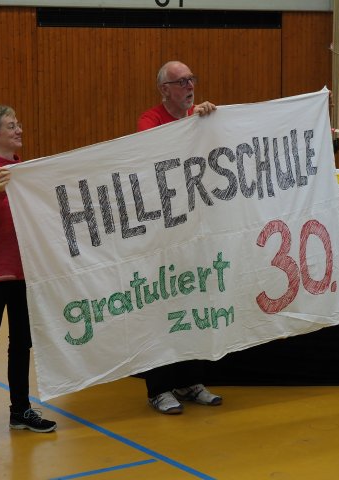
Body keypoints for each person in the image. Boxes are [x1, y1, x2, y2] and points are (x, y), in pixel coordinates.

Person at [0, 105, 57, 447]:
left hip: (23, 275)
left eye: (18, 124)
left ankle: (20, 410)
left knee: (21, 345)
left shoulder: (23, 170)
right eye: (11, 126)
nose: (19, 130)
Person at [137, 61, 222, 414]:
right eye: (181, 81)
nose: (189, 86)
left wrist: (209, 122)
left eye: (192, 79)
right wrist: (191, 124)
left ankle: (190, 380)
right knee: (161, 308)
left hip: (194, 230)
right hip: (161, 233)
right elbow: (157, 155)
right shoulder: (150, 121)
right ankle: (159, 388)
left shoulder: (200, 116)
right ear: (164, 90)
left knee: (194, 302)